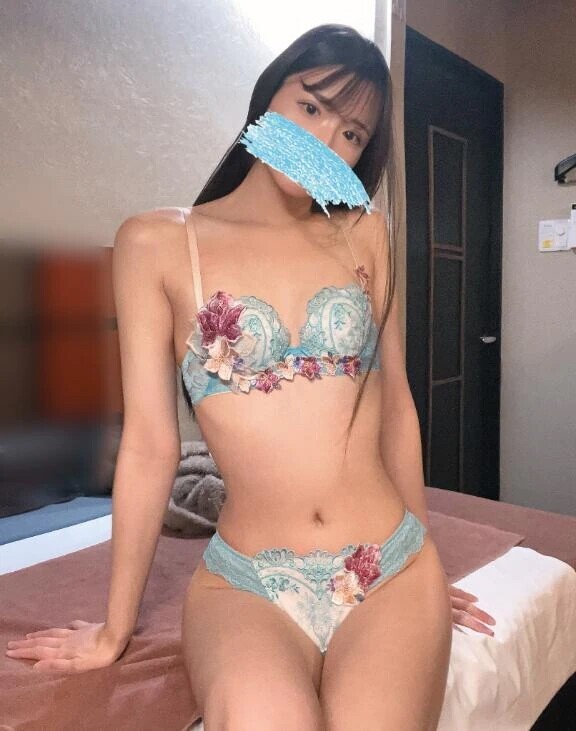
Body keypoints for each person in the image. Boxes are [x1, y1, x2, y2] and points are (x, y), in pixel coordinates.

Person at [5, 23, 496, 730]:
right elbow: (149, 445)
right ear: (267, 100)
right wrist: (115, 629)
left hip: (387, 564)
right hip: (248, 583)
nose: (325, 141)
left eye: (352, 134)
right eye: (311, 106)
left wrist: (424, 557)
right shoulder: (157, 243)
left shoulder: (365, 234)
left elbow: (394, 406)